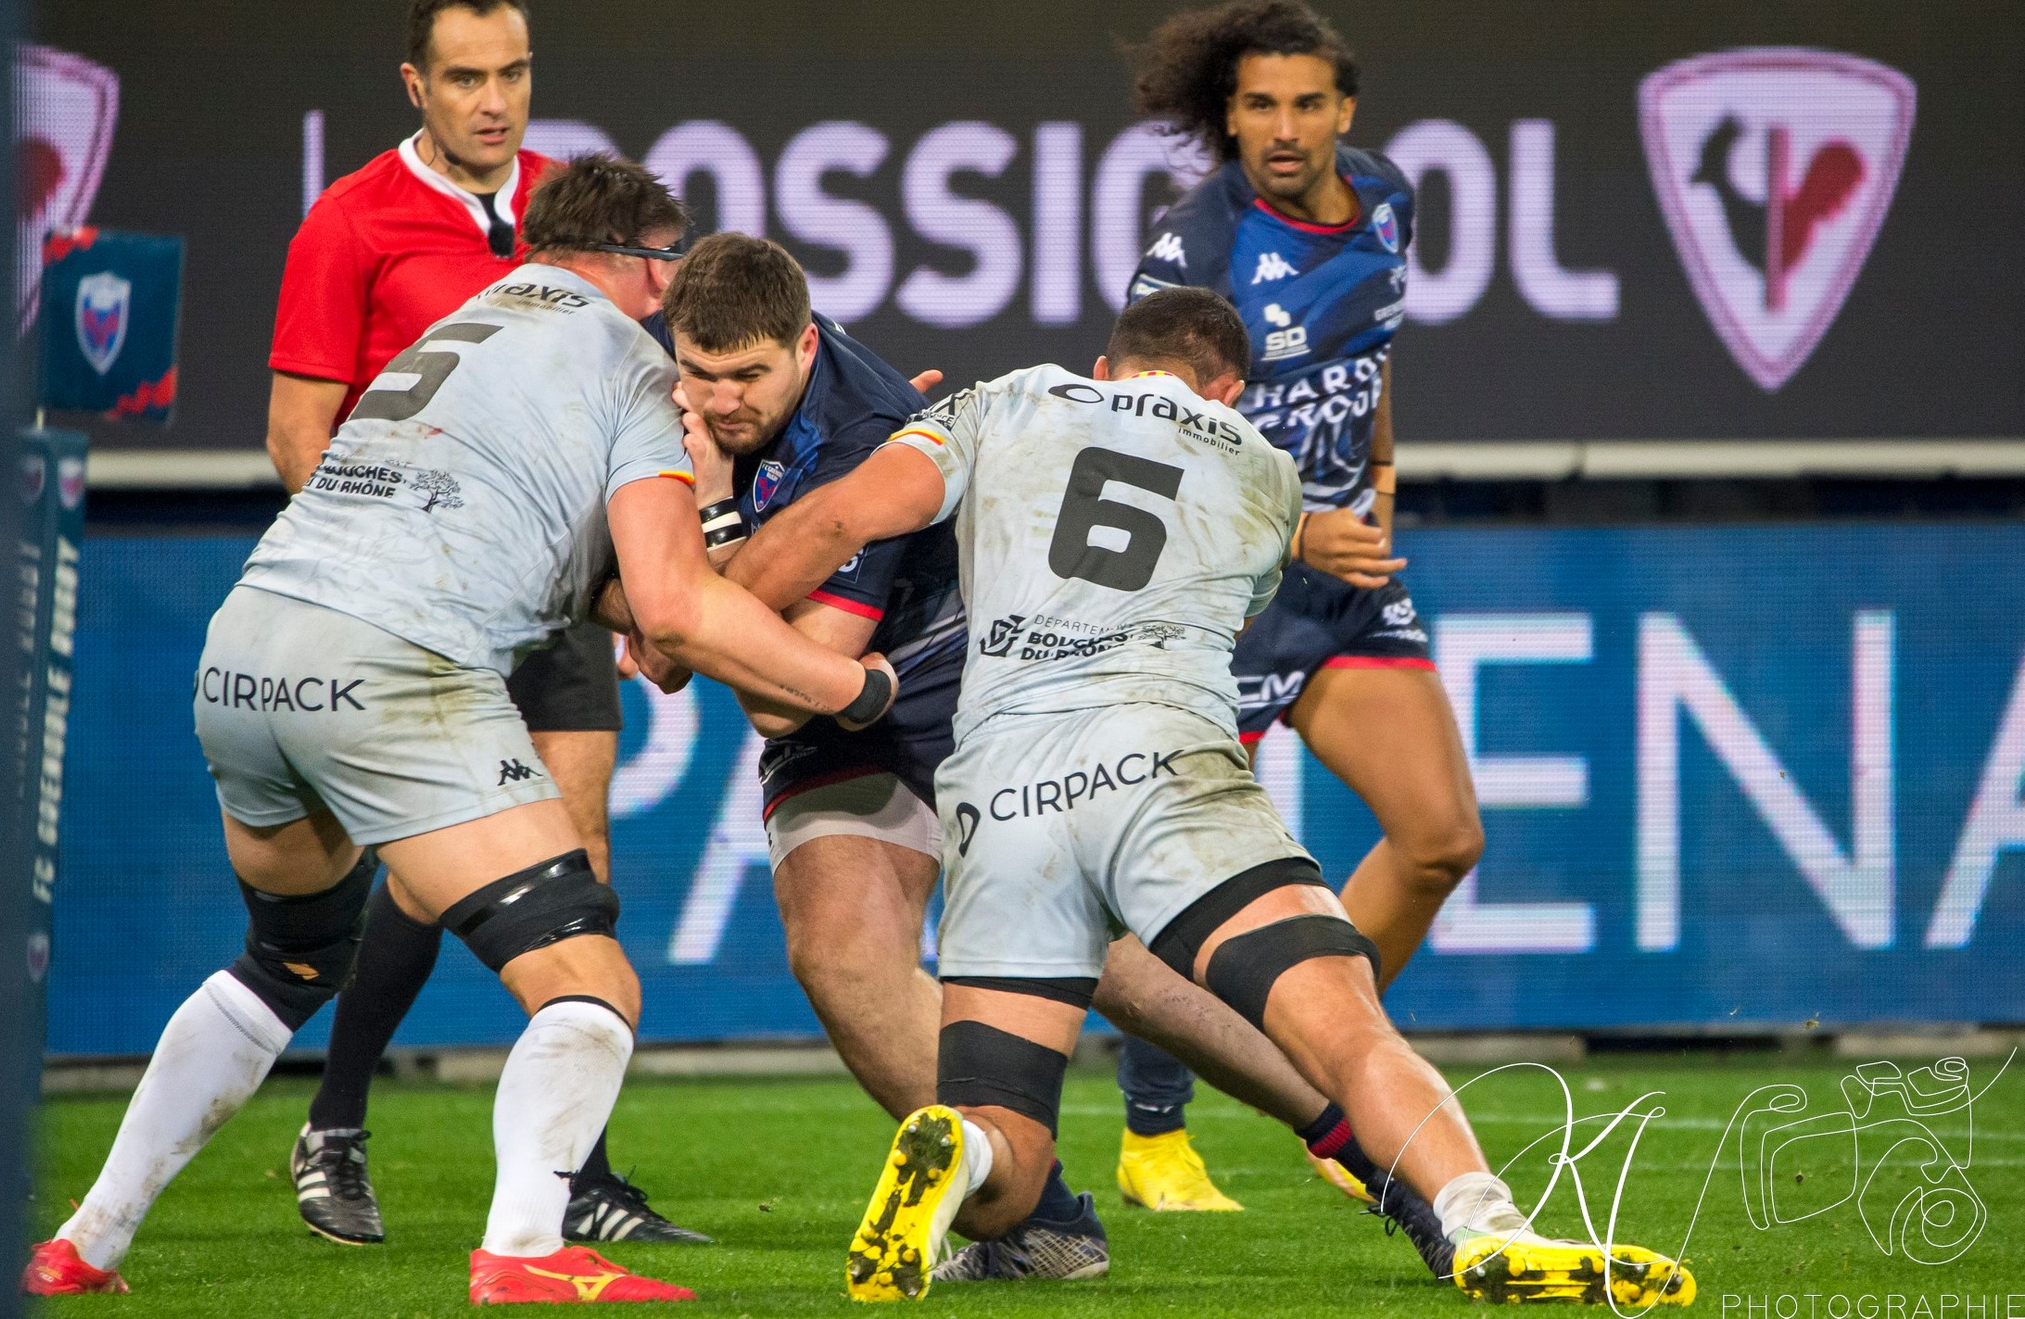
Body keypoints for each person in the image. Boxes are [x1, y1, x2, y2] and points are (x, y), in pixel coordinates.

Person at [23, 156, 898, 1305]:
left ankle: (82, 1241)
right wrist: (854, 692)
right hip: (394, 665)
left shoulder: (465, 322)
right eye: (668, 260)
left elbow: (612, 591)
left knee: (286, 958)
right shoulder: (632, 365)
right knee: (590, 981)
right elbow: (677, 608)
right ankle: (526, 1250)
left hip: (246, 647)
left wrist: (684, 601)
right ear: (637, 263)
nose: (674, 289)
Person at [722, 286, 1693, 1308]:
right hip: (1161, 761)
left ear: (1102, 367)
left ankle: (962, 1150)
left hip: (1000, 788)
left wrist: (712, 607)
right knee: (1347, 1024)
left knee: (1006, 1117)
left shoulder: (1003, 399)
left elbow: (839, 515)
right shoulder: (1262, 470)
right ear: (1229, 391)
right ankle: (1481, 1221)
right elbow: (1227, 604)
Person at [609, 236, 1454, 1283]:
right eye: (702, 373)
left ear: (803, 345)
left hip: (957, 686)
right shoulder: (650, 392)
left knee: (1118, 964)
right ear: (670, 345)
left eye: (749, 377)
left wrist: (693, 562)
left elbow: (782, 682)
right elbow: (670, 615)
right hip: (842, 709)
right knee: (841, 956)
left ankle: (1387, 1158)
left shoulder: (867, 422)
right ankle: (1030, 1215)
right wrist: (672, 607)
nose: (723, 399)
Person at [264, 0, 695, 1246]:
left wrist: (621, 576)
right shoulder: (349, 222)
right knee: (415, 867)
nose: (493, 102)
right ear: (416, 86)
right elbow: (298, 435)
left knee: (577, 868)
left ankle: (581, 1181)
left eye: (510, 74)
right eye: (464, 78)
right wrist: (402, 552)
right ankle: (334, 1121)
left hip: (549, 596)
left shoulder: (576, 207)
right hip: (412, 599)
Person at [1110, 0, 1486, 1214]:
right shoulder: (1197, 247)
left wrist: (1374, 473)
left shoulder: (1386, 199)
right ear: (1228, 115)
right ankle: (1154, 1140)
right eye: (1257, 104)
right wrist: (1290, 519)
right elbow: (1141, 436)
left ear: (1345, 109)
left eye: (1305, 102)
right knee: (1178, 883)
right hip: (1220, 586)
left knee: (1438, 837)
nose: (1282, 126)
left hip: (1343, 583)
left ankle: (1334, 1084)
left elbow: (1367, 355)